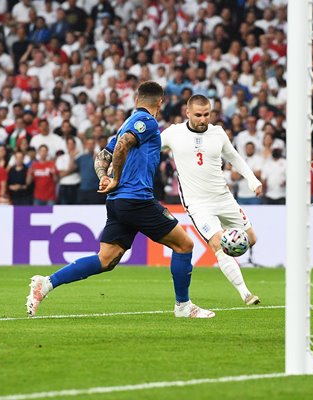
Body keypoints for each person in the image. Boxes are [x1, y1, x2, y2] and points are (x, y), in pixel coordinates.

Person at [26, 81, 214, 319]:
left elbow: (102, 155)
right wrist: (113, 179)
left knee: (106, 259)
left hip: (118, 202)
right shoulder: (147, 121)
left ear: (136, 100)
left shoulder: (128, 122)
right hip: (137, 199)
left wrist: (104, 176)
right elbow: (124, 144)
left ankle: (47, 283)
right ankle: (183, 306)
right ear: (160, 103)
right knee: (184, 245)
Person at [161, 94, 261, 305]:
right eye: (198, 115)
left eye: (207, 114)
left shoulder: (217, 133)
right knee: (219, 244)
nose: (203, 119)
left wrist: (252, 180)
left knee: (251, 239)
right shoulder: (173, 133)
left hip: (223, 198)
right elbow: (150, 148)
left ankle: (230, 264)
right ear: (187, 113)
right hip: (198, 205)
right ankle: (245, 293)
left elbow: (234, 157)